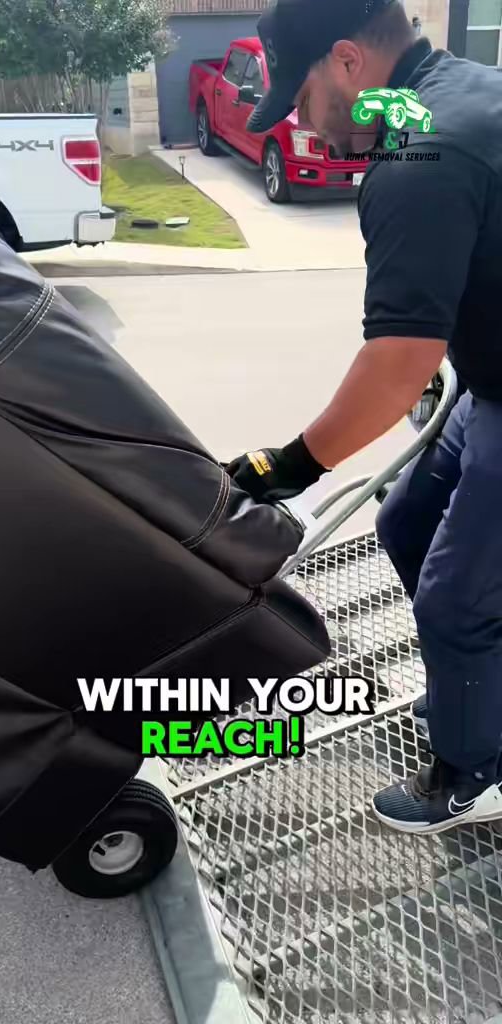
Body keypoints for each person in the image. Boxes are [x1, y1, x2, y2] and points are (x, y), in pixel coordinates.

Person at [226, 0, 502, 835]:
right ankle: (477, 692)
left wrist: (289, 467)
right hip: (490, 387)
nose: (303, 123)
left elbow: (395, 366)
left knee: (456, 599)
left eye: (300, 99)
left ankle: (475, 776)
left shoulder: (419, 154)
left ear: (347, 62)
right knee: (408, 515)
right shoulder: (458, 90)